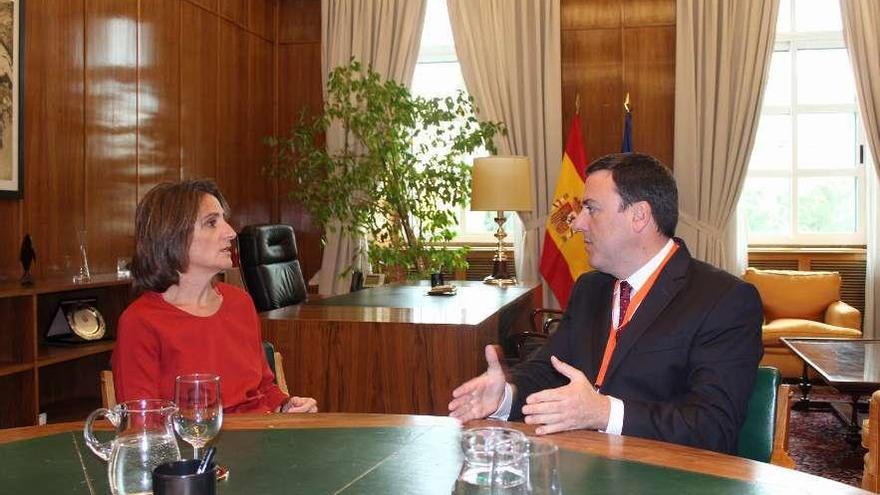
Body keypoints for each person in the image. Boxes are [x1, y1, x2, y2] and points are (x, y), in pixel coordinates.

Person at [448, 153, 763, 454]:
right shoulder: (591, 288)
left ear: (639, 216)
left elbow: (713, 427)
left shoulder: (724, 300)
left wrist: (604, 413)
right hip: (582, 466)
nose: (577, 223)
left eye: (591, 208)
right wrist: (505, 396)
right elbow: (550, 370)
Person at [112, 179, 318, 414]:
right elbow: (142, 424)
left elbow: (263, 389)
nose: (231, 232)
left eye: (224, 220)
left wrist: (286, 405)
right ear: (172, 236)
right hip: (193, 448)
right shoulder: (140, 321)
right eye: (211, 222)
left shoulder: (240, 302)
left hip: (260, 441)